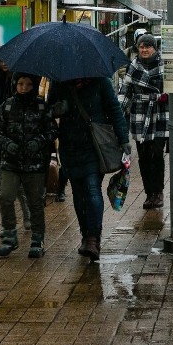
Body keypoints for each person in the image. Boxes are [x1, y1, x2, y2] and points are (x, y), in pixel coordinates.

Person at [49, 77, 130, 261]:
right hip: (70, 145)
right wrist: (56, 109)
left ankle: (94, 238)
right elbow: (48, 110)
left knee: (92, 190)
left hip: (95, 145)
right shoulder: (59, 81)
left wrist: (123, 139)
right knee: (78, 194)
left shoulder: (100, 80)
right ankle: (85, 235)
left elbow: (114, 109)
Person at [0, 73, 57, 258]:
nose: (24, 87)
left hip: (34, 165)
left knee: (35, 202)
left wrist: (38, 142)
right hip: (11, 163)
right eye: (20, 84)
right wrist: (7, 144)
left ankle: (37, 239)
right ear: (15, 85)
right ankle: (10, 235)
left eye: (28, 84)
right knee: (5, 197)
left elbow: (52, 130)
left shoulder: (41, 106)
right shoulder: (8, 106)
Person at [118, 33, 169, 209]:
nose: (144, 50)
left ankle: (158, 192)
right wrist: (117, 113)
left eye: (148, 47)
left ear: (155, 48)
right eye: (141, 47)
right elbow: (125, 92)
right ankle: (149, 194)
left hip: (160, 114)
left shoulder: (165, 65)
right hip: (140, 115)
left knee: (156, 154)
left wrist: (163, 97)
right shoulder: (133, 66)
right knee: (144, 156)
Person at [0, 53, 32, 230]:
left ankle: (27, 214)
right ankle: (7, 224)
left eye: (7, 60)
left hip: (15, 140)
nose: (4, 64)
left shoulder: (20, 82)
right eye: (0, 61)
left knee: (16, 183)